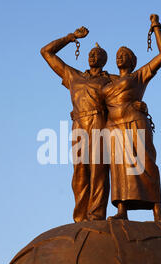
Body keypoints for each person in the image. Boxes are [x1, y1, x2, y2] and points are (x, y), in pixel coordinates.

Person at [102, 14, 161, 223]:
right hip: (113, 127)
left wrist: (156, 27)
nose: (119, 56)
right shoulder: (108, 80)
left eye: (124, 54)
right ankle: (122, 208)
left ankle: (157, 210)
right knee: (119, 168)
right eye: (118, 54)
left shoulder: (138, 76)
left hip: (135, 123)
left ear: (131, 60)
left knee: (146, 163)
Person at [40, 27, 111, 222]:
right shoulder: (74, 76)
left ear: (104, 60)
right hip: (79, 123)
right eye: (90, 53)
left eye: (97, 54)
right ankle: (80, 216)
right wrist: (70, 38)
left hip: (100, 122)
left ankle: (96, 214)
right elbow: (46, 52)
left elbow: (129, 89)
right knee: (80, 171)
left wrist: (138, 105)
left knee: (99, 170)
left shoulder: (110, 80)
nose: (93, 55)